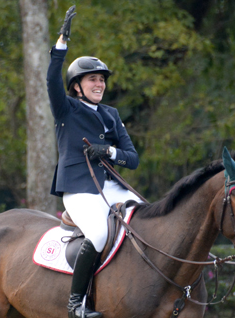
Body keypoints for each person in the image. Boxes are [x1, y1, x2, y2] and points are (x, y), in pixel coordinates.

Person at [47, 5, 142, 318]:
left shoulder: (111, 114)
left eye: (101, 79)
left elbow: (133, 158)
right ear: (77, 86)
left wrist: (110, 152)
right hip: (79, 189)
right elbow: (51, 80)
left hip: (111, 186)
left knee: (146, 216)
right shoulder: (67, 110)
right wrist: (62, 43)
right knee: (99, 234)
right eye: (92, 80)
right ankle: (77, 305)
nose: (99, 84)